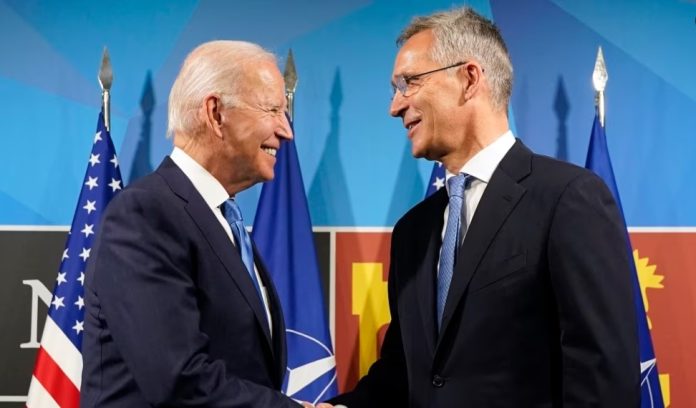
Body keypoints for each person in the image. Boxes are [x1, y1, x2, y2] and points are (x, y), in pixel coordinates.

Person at [326, 7, 639, 407]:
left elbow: (603, 379)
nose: (395, 106)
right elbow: (403, 375)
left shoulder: (567, 199)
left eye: (409, 83)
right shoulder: (412, 232)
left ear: (469, 78)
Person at [81, 40, 310, 407]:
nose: (287, 130)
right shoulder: (145, 216)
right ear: (216, 113)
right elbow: (179, 380)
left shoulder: (223, 219)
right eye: (272, 110)